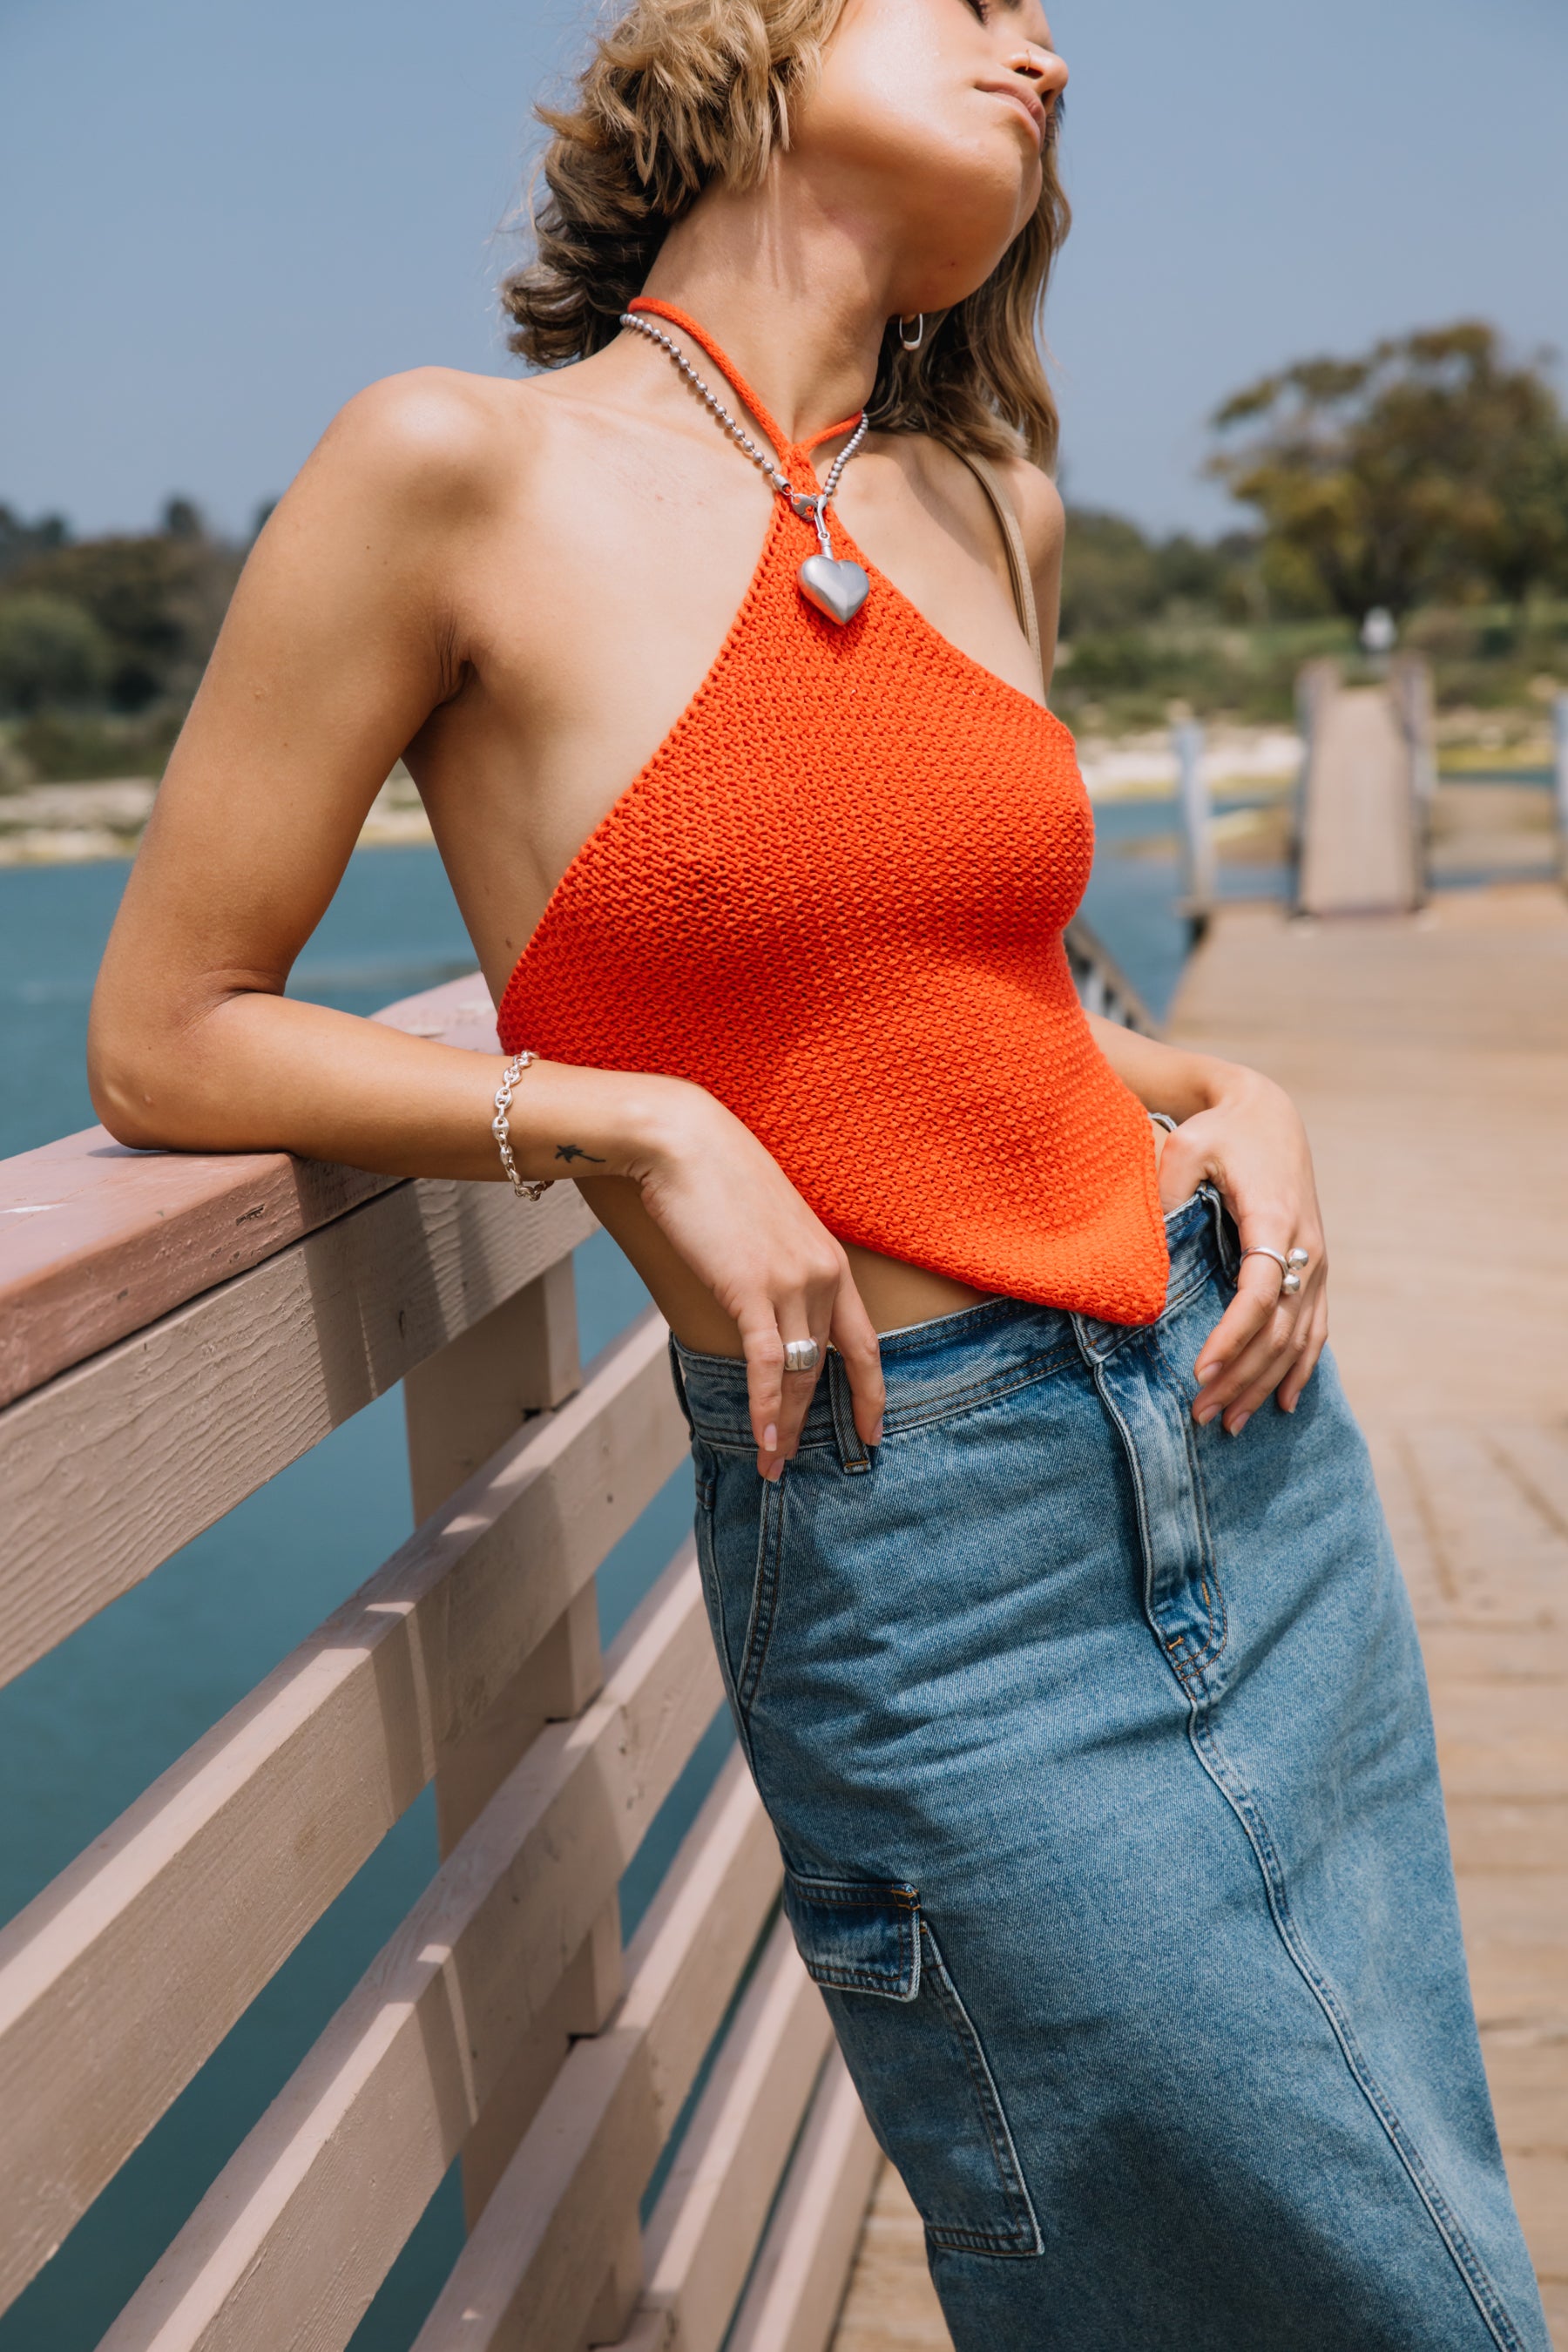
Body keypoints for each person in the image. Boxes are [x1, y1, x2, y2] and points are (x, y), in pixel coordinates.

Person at [86, 1, 1548, 2344]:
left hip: (1249, 1441)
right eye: (972, 0)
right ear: (754, 35)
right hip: (927, 1530)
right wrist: (608, 1108)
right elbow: (163, 1034)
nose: (1044, 49)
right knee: (1294, 2276)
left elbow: (1007, 1004)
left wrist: (1224, 1097)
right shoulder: (449, 467)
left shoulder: (990, 506)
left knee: (1405, 2216)